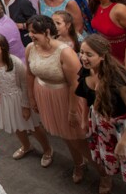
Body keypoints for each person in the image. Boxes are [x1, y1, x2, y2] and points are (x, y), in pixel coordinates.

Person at [75, 34, 126, 194]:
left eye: (89, 54)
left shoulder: (118, 78)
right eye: (81, 52)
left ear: (102, 56)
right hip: (104, 127)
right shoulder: (86, 71)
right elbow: (86, 97)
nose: (83, 58)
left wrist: (123, 142)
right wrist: (84, 120)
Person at [24, 15, 89, 180]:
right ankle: (78, 163)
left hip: (66, 98)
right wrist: (31, 97)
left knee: (78, 138)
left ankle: (102, 172)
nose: (30, 35)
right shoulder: (30, 48)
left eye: (34, 32)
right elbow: (30, 73)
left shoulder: (65, 53)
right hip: (45, 96)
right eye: (29, 31)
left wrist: (73, 111)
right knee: (64, 135)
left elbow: (75, 84)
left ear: (47, 31)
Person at [0, 33, 52, 163]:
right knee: (16, 126)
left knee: (32, 126)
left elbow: (25, 84)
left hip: (19, 100)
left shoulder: (15, 62)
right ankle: (26, 146)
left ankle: (47, 149)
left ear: (3, 47)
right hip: (3, 101)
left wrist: (25, 106)